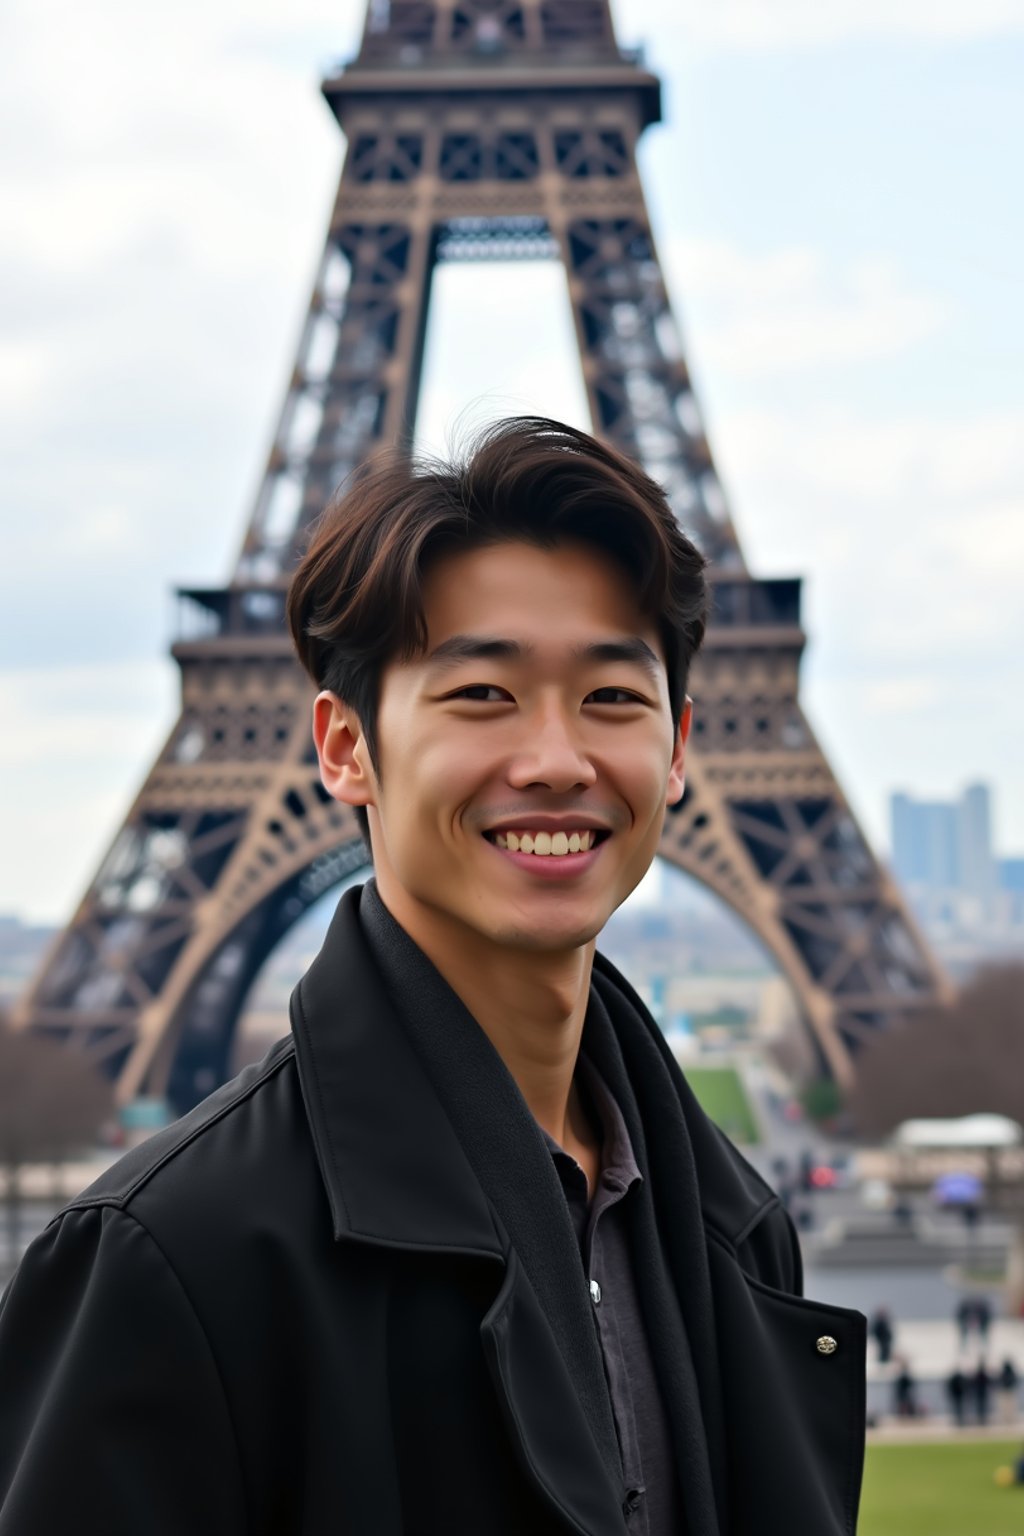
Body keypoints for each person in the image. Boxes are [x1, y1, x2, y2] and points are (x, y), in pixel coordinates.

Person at [0, 418, 868, 1535]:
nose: (556, 760)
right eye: (480, 696)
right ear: (344, 746)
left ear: (682, 746)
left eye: (612, 697)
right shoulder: (165, 1259)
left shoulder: (728, 1232)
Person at [997, 1358, 1020, 1426]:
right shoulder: (1006, 1373)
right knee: (1008, 1406)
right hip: (1007, 1391)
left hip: (1008, 1391)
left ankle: (1009, 1418)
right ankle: (1008, 1418)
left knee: (1008, 1406)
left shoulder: (1007, 1373)